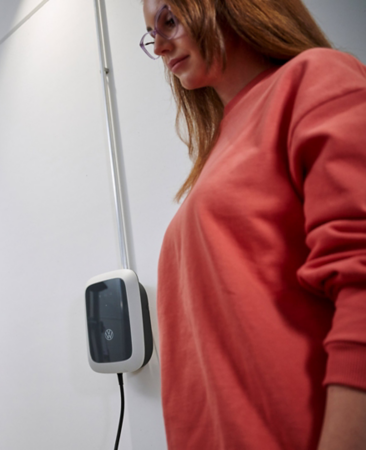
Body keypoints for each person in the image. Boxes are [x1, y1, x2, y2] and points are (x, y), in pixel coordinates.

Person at [141, 0, 366, 448]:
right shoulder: (219, 148)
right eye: (152, 34)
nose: (161, 47)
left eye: (169, 20)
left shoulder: (315, 79)